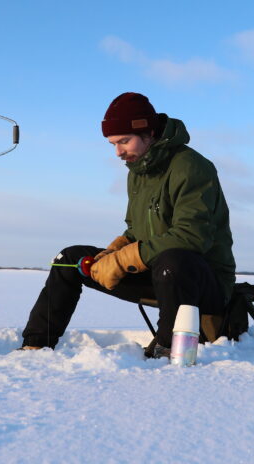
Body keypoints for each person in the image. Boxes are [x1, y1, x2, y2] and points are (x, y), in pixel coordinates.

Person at [19, 92, 236, 357]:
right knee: (70, 259)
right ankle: (36, 346)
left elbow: (192, 237)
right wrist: (113, 251)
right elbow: (136, 230)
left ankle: (166, 349)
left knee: (174, 262)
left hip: (202, 283)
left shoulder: (192, 167)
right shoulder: (137, 172)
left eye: (124, 141)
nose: (118, 152)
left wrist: (123, 260)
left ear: (148, 132)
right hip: (157, 272)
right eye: (112, 143)